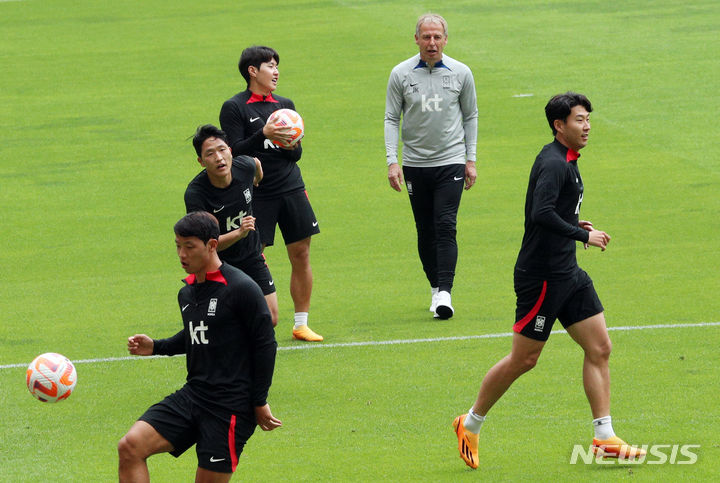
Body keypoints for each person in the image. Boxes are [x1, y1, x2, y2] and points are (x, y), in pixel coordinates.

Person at [452, 92, 645, 469]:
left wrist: (574, 223)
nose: (586, 126)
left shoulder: (568, 160)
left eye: (588, 118)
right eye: (579, 120)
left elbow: (552, 209)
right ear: (559, 125)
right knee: (524, 359)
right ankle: (469, 422)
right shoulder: (554, 163)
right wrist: (581, 235)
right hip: (541, 278)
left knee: (600, 348)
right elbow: (540, 214)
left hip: (568, 274)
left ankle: (604, 437)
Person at [118, 211, 281, 482]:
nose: (182, 254)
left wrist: (259, 401)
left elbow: (266, 345)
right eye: (178, 246)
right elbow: (200, 332)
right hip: (194, 395)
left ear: (212, 245)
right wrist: (157, 346)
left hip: (230, 407)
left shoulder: (241, 288)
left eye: (189, 246)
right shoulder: (188, 292)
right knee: (130, 447)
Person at [219, 45, 322, 342]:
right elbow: (233, 152)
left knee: (301, 253)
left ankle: (301, 323)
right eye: (270, 66)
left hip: (291, 187)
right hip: (257, 193)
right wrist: (263, 135)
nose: (276, 71)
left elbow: (296, 153)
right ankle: (246, 318)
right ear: (253, 71)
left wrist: (290, 141)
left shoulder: (285, 104)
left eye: (277, 66)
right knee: (252, 255)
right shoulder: (235, 107)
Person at [384, 13, 478, 320]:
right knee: (424, 230)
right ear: (416, 39)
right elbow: (391, 118)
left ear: (446, 39)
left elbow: (470, 116)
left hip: (450, 161)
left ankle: (446, 293)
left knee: (445, 225)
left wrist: (470, 158)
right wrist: (392, 161)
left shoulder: (462, 73)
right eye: (426, 37)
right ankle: (436, 287)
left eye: (437, 37)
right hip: (414, 164)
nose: (432, 43)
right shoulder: (400, 74)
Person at [185, 124, 279, 327]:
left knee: (270, 317)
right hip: (218, 263)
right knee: (220, 321)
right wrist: (240, 232)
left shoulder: (244, 166)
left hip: (251, 256)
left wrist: (257, 180)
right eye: (210, 154)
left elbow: (256, 164)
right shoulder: (196, 195)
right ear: (201, 162)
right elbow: (206, 246)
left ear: (230, 150)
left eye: (222, 150)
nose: (219, 158)